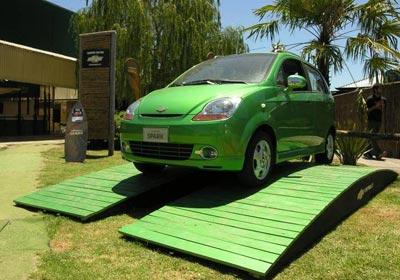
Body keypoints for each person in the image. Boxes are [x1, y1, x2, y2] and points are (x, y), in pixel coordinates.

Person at [363, 84, 387, 160]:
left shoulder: (383, 99)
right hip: (371, 121)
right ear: (375, 90)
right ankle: (378, 153)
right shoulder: (370, 99)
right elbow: (367, 110)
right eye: (379, 89)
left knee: (373, 138)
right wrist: (375, 106)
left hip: (379, 121)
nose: (381, 90)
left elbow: (382, 110)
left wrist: (382, 106)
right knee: (373, 137)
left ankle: (367, 153)